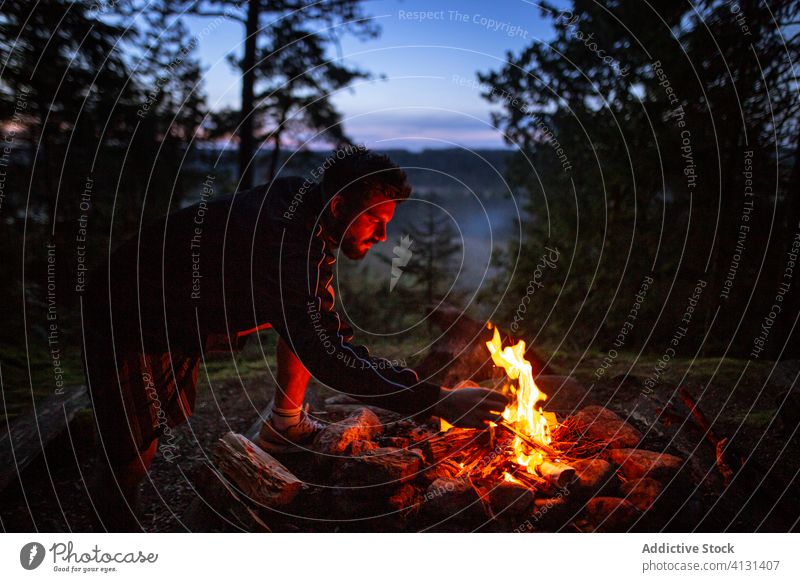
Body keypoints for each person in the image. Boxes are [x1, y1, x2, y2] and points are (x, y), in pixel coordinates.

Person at [82, 147, 508, 531]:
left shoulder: (307, 211)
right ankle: (113, 536)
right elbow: (328, 357)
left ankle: (286, 423)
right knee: (134, 449)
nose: (381, 236)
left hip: (180, 314)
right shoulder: (283, 238)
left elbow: (318, 330)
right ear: (341, 203)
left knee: (308, 322)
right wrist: (436, 399)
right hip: (130, 313)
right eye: (375, 221)